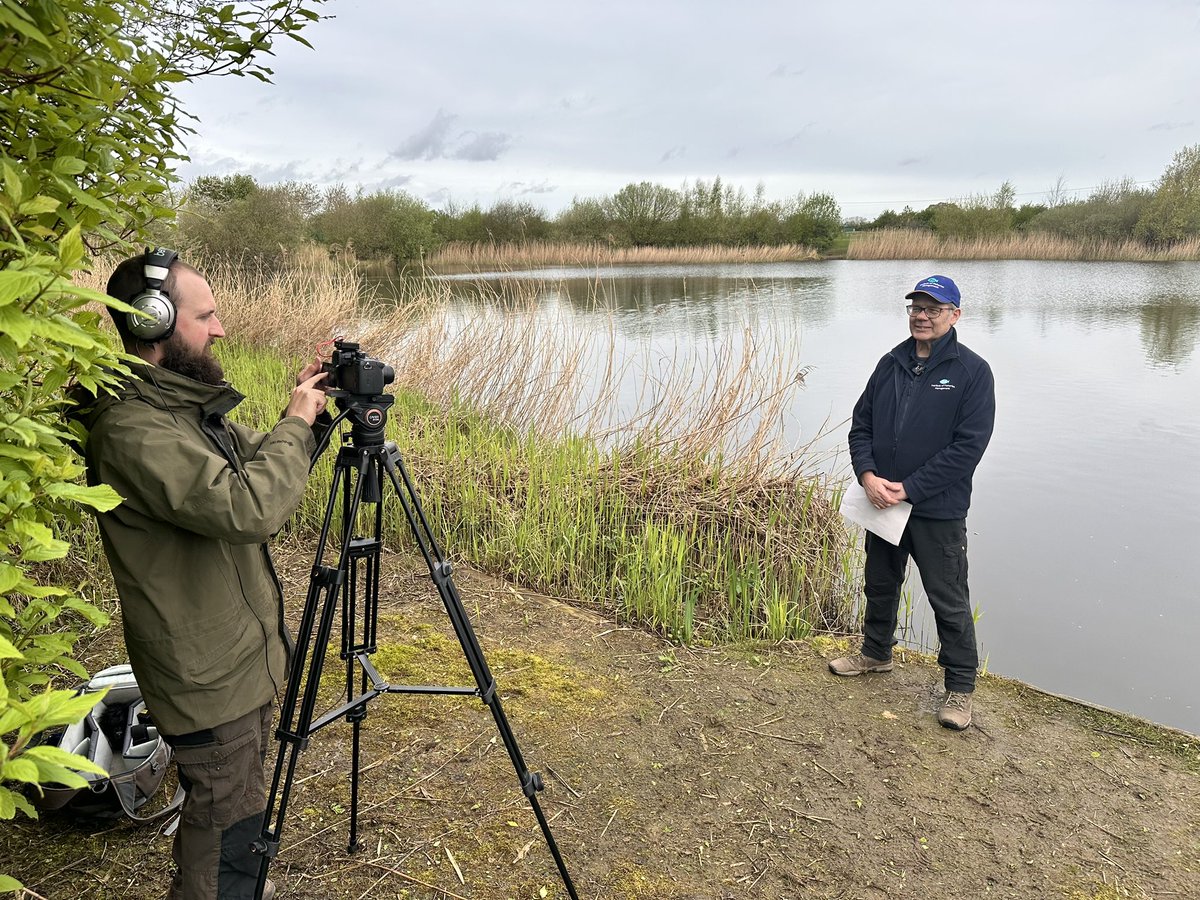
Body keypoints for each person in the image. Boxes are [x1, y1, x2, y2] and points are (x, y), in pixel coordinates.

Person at [71, 249, 331, 899]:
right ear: (155, 323)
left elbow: (253, 464)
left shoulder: (177, 407)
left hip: (231, 658)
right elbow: (250, 507)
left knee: (232, 807)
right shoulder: (134, 429)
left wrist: (309, 417)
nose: (220, 329)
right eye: (206, 315)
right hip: (206, 673)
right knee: (224, 826)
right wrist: (296, 424)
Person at [830, 275, 995, 731]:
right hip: (880, 503)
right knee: (880, 583)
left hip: (935, 509)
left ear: (954, 315)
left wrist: (909, 488)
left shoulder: (971, 372)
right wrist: (867, 476)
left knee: (948, 598)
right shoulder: (890, 363)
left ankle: (960, 688)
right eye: (915, 308)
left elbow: (968, 449)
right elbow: (860, 425)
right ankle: (875, 654)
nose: (921, 316)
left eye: (933, 309)